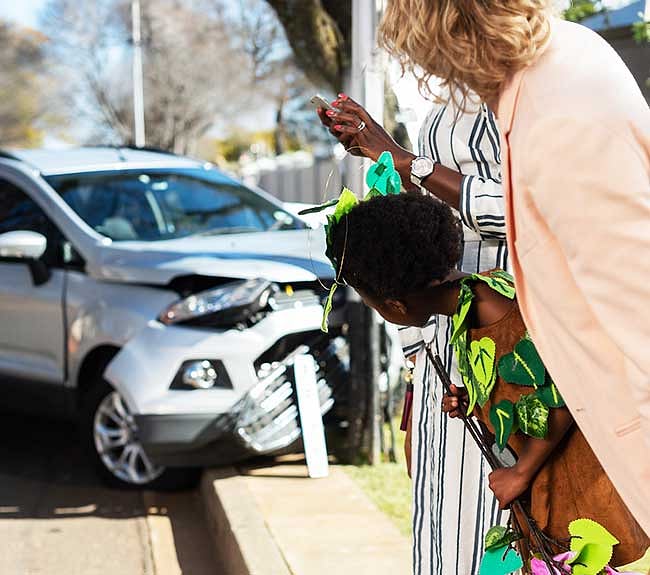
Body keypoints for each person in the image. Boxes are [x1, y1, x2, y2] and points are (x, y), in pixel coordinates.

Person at [378, 0, 650, 534]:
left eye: (432, 63)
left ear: (450, 40)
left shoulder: (559, 111)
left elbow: (632, 301)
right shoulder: (554, 69)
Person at [325, 191, 649, 569]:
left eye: (370, 302)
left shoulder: (499, 318)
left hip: (575, 489)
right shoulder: (481, 293)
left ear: (395, 304)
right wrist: (477, 398)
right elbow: (518, 390)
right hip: (549, 491)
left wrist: (520, 472)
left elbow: (567, 389)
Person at [318, 92, 509, 575]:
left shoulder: (519, 102)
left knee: (496, 545)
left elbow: (529, 208)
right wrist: (414, 396)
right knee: (441, 546)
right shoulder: (445, 104)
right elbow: (418, 246)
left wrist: (410, 163)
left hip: (497, 367)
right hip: (440, 371)